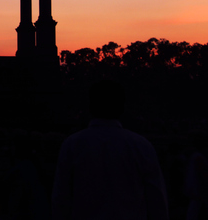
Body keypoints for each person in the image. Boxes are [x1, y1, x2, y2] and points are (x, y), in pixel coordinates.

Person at [52, 80, 169, 220]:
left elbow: (61, 198)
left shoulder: (72, 145)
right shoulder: (141, 146)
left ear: (90, 106)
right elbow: (157, 199)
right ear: (122, 107)